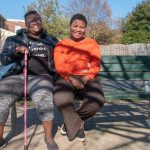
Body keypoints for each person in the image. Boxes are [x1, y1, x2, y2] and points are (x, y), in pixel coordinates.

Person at [0, 10, 59, 150]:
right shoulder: (14, 40)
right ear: (26, 24)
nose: (35, 22)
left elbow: (62, 57)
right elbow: (3, 60)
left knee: (44, 96)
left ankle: (48, 137)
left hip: (42, 77)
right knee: (1, 96)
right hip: (16, 76)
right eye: (31, 20)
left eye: (37, 19)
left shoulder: (51, 40)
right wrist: (16, 50)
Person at [53, 13, 105, 142]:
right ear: (70, 26)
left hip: (88, 77)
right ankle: (76, 126)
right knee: (60, 99)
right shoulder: (61, 44)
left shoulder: (92, 43)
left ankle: (70, 123)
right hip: (66, 78)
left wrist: (87, 77)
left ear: (86, 29)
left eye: (82, 27)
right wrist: (71, 77)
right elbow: (60, 66)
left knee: (97, 100)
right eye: (75, 26)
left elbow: (95, 64)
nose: (78, 29)